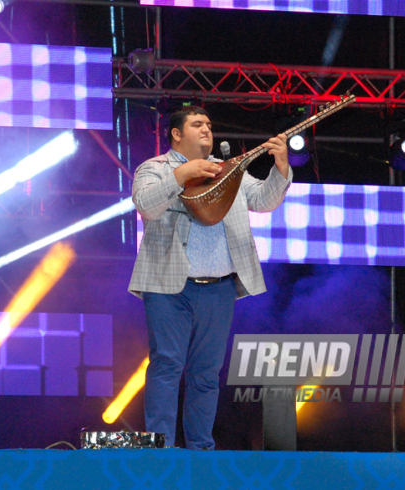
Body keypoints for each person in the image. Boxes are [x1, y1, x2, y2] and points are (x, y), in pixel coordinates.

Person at [128, 106, 292, 450]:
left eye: (209, 125)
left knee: (206, 373)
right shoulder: (155, 168)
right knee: (167, 366)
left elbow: (262, 200)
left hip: (218, 288)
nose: (207, 130)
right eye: (197, 124)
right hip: (168, 287)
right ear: (176, 133)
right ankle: (159, 449)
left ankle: (201, 450)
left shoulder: (226, 169)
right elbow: (145, 204)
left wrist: (280, 169)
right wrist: (180, 175)